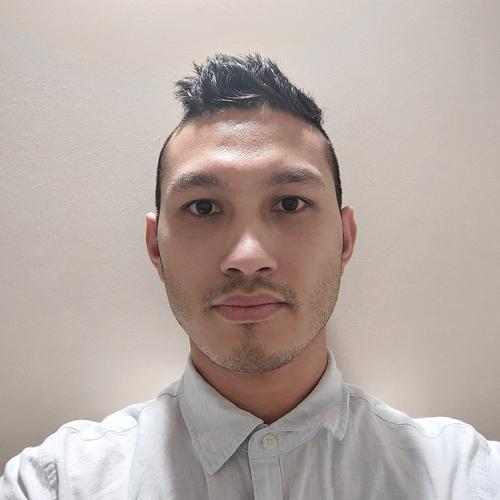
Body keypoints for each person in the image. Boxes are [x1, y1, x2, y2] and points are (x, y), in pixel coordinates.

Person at [1, 52, 499, 500]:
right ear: (155, 247)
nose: (246, 257)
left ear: (345, 239)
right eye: (203, 207)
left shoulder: (467, 478)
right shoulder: (57, 483)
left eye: (290, 204)